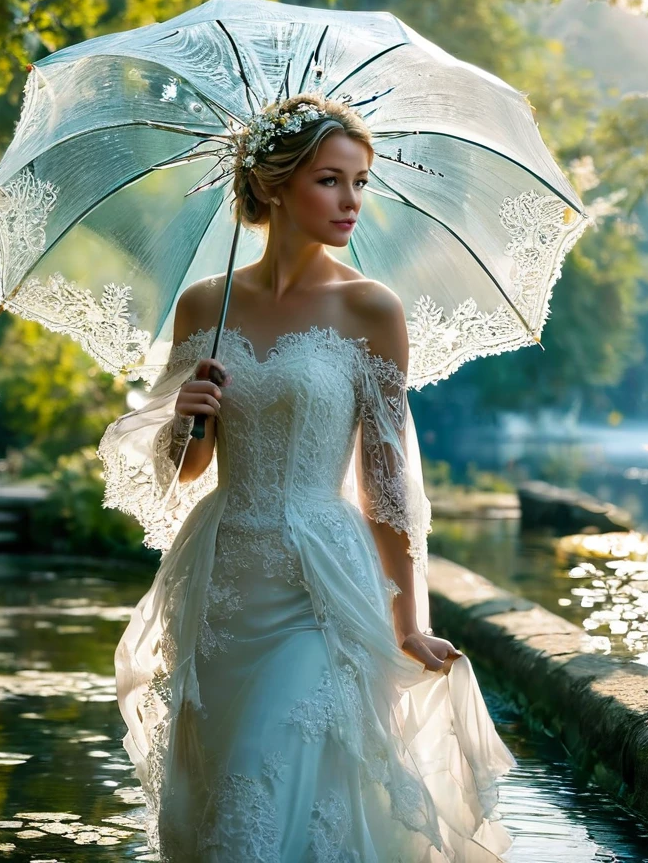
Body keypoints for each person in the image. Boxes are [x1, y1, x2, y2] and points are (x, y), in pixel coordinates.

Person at [99, 91, 515, 861]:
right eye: (330, 180)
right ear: (272, 186)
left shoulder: (370, 309)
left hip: (320, 579)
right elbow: (186, 467)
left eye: (360, 182)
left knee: (274, 763)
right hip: (223, 576)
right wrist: (188, 413)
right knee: (224, 785)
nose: (352, 200)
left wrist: (409, 621)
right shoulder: (204, 305)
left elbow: (387, 481)